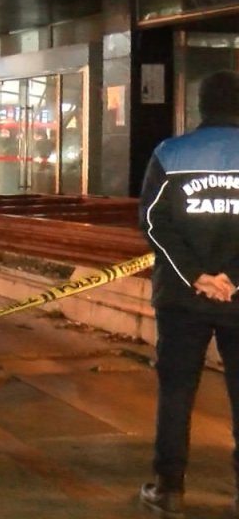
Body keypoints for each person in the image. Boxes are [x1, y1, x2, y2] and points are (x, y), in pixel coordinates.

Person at [139, 70, 239, 517]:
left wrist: (196, 275)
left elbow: (154, 223)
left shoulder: (171, 153)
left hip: (180, 299)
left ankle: (169, 487)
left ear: (202, 106)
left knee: (177, 391)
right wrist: (233, 279)